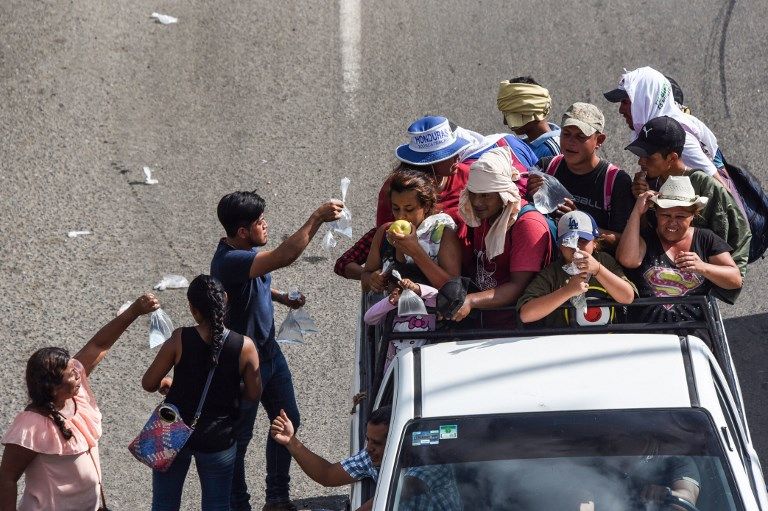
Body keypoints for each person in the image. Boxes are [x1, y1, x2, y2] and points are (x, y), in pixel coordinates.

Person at [211, 191, 343, 511]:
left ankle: (277, 498)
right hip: (243, 365)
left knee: (287, 420)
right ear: (242, 232)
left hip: (269, 352)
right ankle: (238, 504)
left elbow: (258, 281)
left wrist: (282, 298)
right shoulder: (230, 260)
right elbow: (283, 256)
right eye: (259, 222)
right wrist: (316, 219)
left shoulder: (245, 251)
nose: (265, 225)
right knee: (238, 440)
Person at [0, 293, 159, 511]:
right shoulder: (31, 426)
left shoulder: (75, 396)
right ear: (53, 387)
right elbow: (7, 478)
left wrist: (133, 312)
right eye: (72, 374)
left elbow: (98, 344)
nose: (78, 372)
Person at [336, 115, 536, 283]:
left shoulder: (470, 176)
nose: (458, 156)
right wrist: (372, 277)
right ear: (429, 163)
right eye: (448, 154)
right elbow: (387, 246)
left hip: (473, 275)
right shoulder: (394, 189)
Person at [142, 275, 262, 511]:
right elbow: (253, 394)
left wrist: (174, 385)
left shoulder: (180, 338)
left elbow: (149, 382)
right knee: (217, 505)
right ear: (225, 300)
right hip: (218, 437)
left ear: (192, 309)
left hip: (173, 433)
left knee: (164, 504)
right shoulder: (245, 346)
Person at [624, 116, 750, 299]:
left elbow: (737, 233)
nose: (640, 162)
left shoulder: (705, 185)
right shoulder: (650, 182)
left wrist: (718, 278)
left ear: (672, 158)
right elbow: (645, 235)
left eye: (649, 156)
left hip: (697, 285)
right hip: (655, 283)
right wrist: (639, 204)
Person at [270, 406, 461, 511]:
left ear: (399, 441)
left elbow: (396, 492)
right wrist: (291, 441)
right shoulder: (374, 454)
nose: (369, 448)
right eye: (368, 439)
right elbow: (327, 474)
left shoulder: (429, 464)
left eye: (376, 443)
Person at [616, 177, 742, 329]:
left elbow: (735, 279)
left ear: (693, 215)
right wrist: (637, 212)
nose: (672, 222)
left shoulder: (705, 239)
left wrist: (702, 267)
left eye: (680, 216)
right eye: (665, 215)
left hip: (694, 338)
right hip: (645, 338)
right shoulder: (645, 238)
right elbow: (627, 260)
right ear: (656, 213)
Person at [450, 146, 552, 323]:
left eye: (485, 196)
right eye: (473, 194)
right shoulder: (483, 215)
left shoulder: (527, 225)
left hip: (515, 325)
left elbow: (517, 287)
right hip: (484, 316)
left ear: (503, 194)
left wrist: (471, 301)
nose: (476, 202)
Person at [527, 102, 634, 249]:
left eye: (580, 136)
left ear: (599, 140)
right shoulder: (546, 167)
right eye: (566, 134)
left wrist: (580, 223)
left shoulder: (617, 181)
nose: (571, 142)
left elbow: (625, 241)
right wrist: (530, 197)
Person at [518, 211, 636, 327]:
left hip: (605, 341)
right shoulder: (553, 272)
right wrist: (568, 290)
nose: (576, 247)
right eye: (569, 241)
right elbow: (526, 315)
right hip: (567, 343)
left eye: (582, 240)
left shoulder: (605, 261)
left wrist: (598, 270)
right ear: (560, 246)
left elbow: (627, 297)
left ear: (595, 242)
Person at [603, 66, 721, 178]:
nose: (620, 110)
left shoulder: (677, 137)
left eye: (625, 102)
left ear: (645, 101)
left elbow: (719, 188)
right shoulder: (651, 131)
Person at [362, 168, 461, 292]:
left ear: (426, 206)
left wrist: (415, 251)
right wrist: (372, 279)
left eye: (409, 209)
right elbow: (365, 276)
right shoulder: (384, 232)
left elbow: (453, 289)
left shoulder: (443, 234)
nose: (401, 216)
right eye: (396, 208)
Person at [496, 76, 561, 159]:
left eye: (510, 116)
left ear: (530, 111)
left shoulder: (554, 151)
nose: (505, 122)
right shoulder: (521, 145)